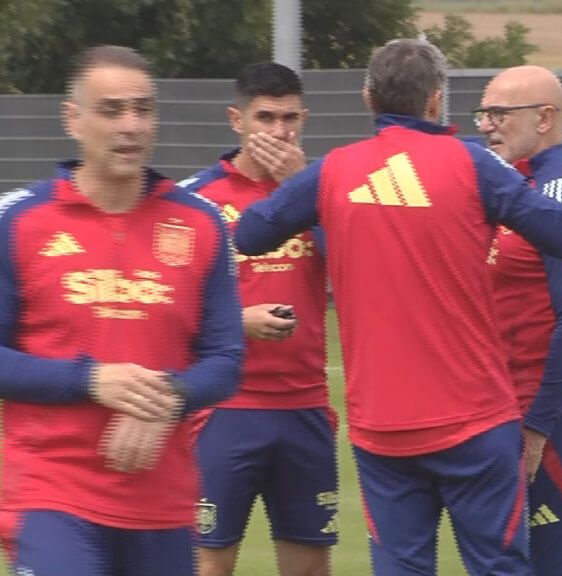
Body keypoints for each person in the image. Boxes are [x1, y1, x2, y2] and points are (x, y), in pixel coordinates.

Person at [233, 38, 562, 576]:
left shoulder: (334, 171)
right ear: (436, 100)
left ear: (368, 97)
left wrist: (322, 205)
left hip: (383, 427)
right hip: (476, 421)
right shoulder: (473, 164)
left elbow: (254, 232)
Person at [0, 45, 243, 576]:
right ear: (71, 119)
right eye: (112, 110)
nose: (132, 125)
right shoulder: (19, 220)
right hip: (51, 496)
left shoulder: (201, 224)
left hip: (162, 504)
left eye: (143, 109)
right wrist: (91, 379)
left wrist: (171, 396)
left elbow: (226, 358)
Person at [178, 63, 336, 576]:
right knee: (209, 563)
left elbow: (359, 269)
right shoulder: (196, 202)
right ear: (236, 119)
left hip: (305, 405)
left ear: (304, 119)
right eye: (264, 117)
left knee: (311, 565)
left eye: (289, 118)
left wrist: (304, 188)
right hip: (225, 408)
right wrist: (237, 321)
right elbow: (166, 310)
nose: (278, 131)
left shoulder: (327, 193)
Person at [475, 65, 562, 575]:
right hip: (509, 408)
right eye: (483, 113)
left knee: (554, 565)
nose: (487, 125)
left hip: (558, 412)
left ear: (545, 118)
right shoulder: (511, 187)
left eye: (500, 113)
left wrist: (537, 427)